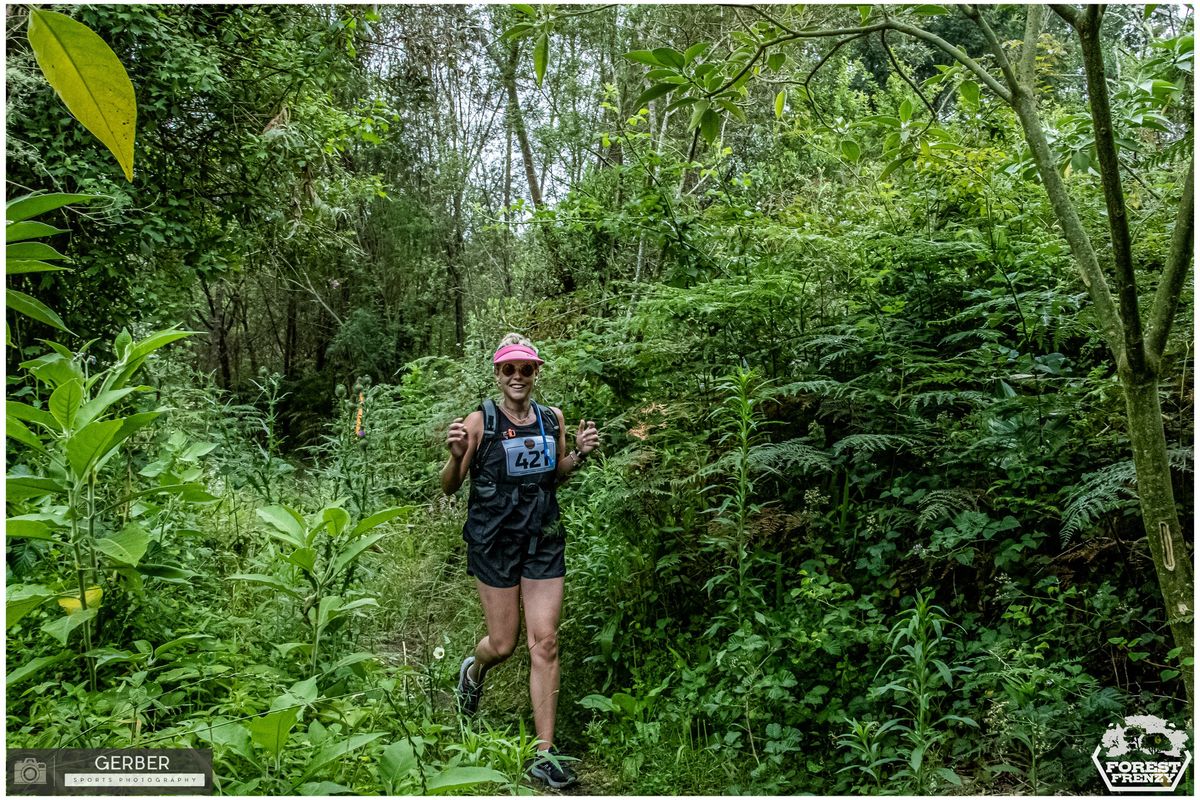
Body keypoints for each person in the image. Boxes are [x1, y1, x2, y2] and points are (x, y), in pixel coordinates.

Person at [441, 333, 600, 789]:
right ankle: (473, 670)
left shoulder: (552, 419)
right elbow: (450, 486)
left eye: (525, 368)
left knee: (545, 642)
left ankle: (544, 753)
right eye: (508, 369)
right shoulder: (479, 422)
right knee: (503, 644)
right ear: (497, 374)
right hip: (494, 541)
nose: (517, 376)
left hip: (542, 538)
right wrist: (455, 459)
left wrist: (579, 456)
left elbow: (556, 475)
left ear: (536, 373)